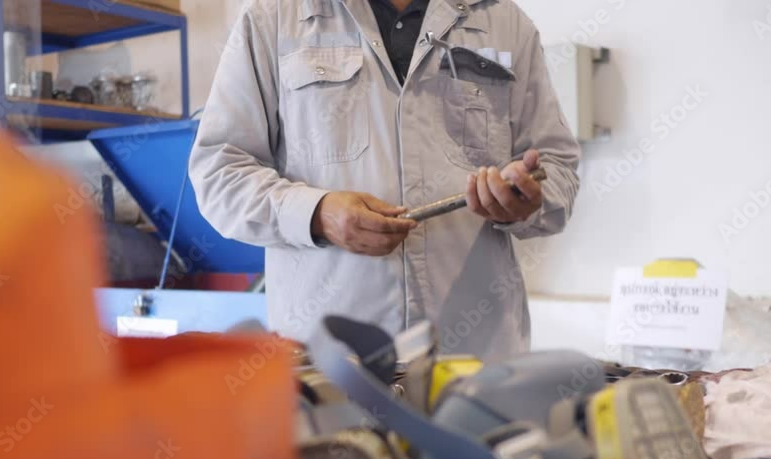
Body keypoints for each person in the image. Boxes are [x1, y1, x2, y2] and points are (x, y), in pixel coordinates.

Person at [189, 0, 580, 360]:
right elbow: (219, 172)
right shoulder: (274, 18)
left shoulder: (503, 22)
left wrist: (527, 199)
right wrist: (316, 214)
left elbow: (557, 166)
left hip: (476, 362)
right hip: (329, 368)